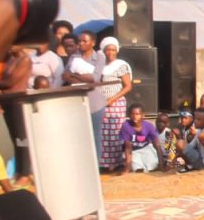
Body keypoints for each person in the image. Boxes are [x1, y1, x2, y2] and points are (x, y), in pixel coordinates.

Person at [0, 46, 32, 186]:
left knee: (22, 138)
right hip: (8, 101)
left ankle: (25, 173)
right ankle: (18, 170)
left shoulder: (24, 60)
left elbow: (10, 82)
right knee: (15, 138)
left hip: (18, 102)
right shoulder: (9, 60)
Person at [63, 30, 107, 159]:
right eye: (79, 41)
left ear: (93, 43)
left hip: (95, 103)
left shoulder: (99, 57)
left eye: (84, 41)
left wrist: (75, 75)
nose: (81, 43)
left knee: (95, 134)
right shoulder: (74, 57)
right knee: (79, 135)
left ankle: (96, 164)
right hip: (78, 101)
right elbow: (65, 76)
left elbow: (95, 78)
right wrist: (82, 77)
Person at [98, 37, 133, 171]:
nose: (111, 52)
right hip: (101, 103)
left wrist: (112, 99)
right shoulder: (99, 65)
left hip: (116, 103)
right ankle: (104, 164)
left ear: (117, 51)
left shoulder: (121, 65)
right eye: (108, 50)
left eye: (113, 50)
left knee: (114, 133)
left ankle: (115, 163)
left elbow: (128, 86)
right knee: (102, 134)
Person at [120, 103, 164, 173]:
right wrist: (127, 168)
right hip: (133, 151)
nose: (135, 116)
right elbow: (128, 148)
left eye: (137, 114)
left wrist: (161, 164)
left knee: (153, 165)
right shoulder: (126, 126)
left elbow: (157, 145)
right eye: (132, 114)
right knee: (137, 168)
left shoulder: (149, 126)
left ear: (143, 115)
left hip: (146, 148)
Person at [180, 107, 204, 173]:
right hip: (200, 159)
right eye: (195, 119)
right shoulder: (198, 131)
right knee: (181, 144)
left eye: (198, 119)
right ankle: (190, 165)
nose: (195, 121)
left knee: (180, 144)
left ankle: (195, 166)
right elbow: (191, 146)